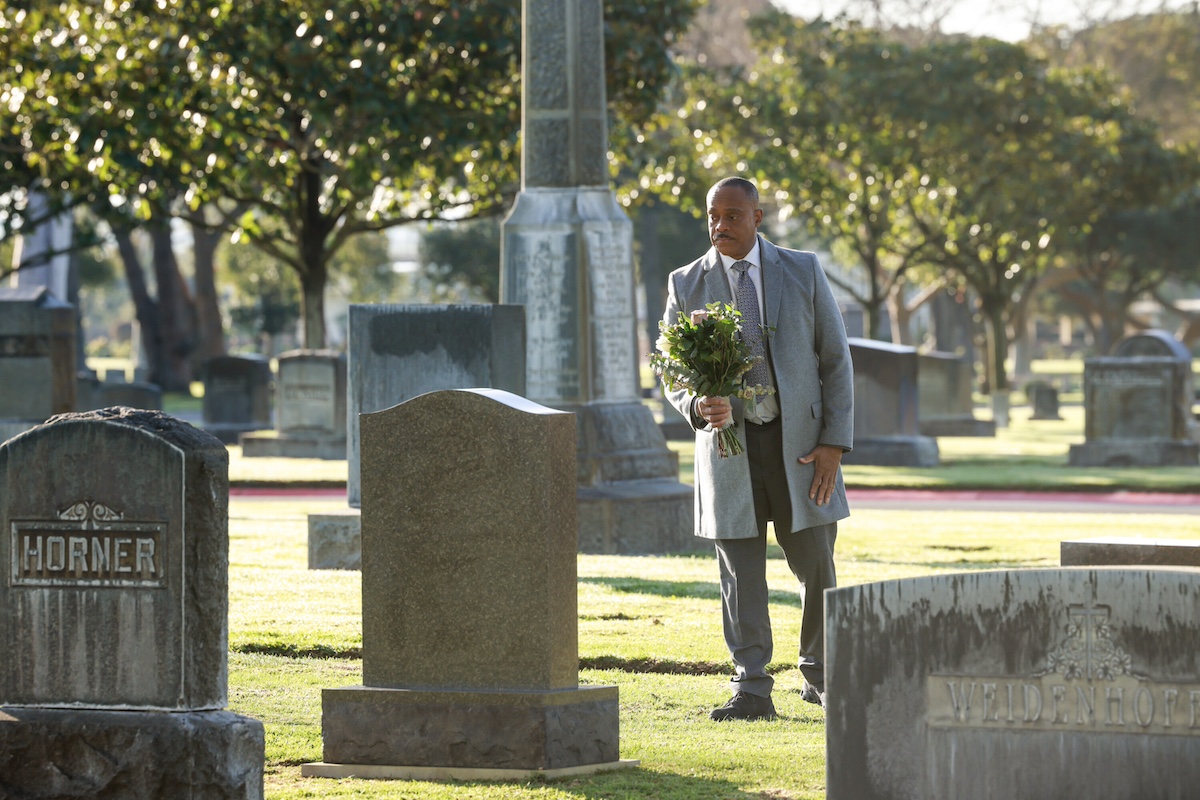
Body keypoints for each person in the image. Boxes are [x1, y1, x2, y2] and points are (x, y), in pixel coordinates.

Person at [660, 176, 853, 721]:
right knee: (740, 573)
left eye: (733, 215)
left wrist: (834, 443)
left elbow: (835, 360)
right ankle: (751, 688)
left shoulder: (803, 269)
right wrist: (697, 403)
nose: (720, 225)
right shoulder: (685, 283)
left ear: (757, 217)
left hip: (803, 450)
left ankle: (820, 674)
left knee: (816, 562)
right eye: (713, 215)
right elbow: (672, 370)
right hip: (728, 451)